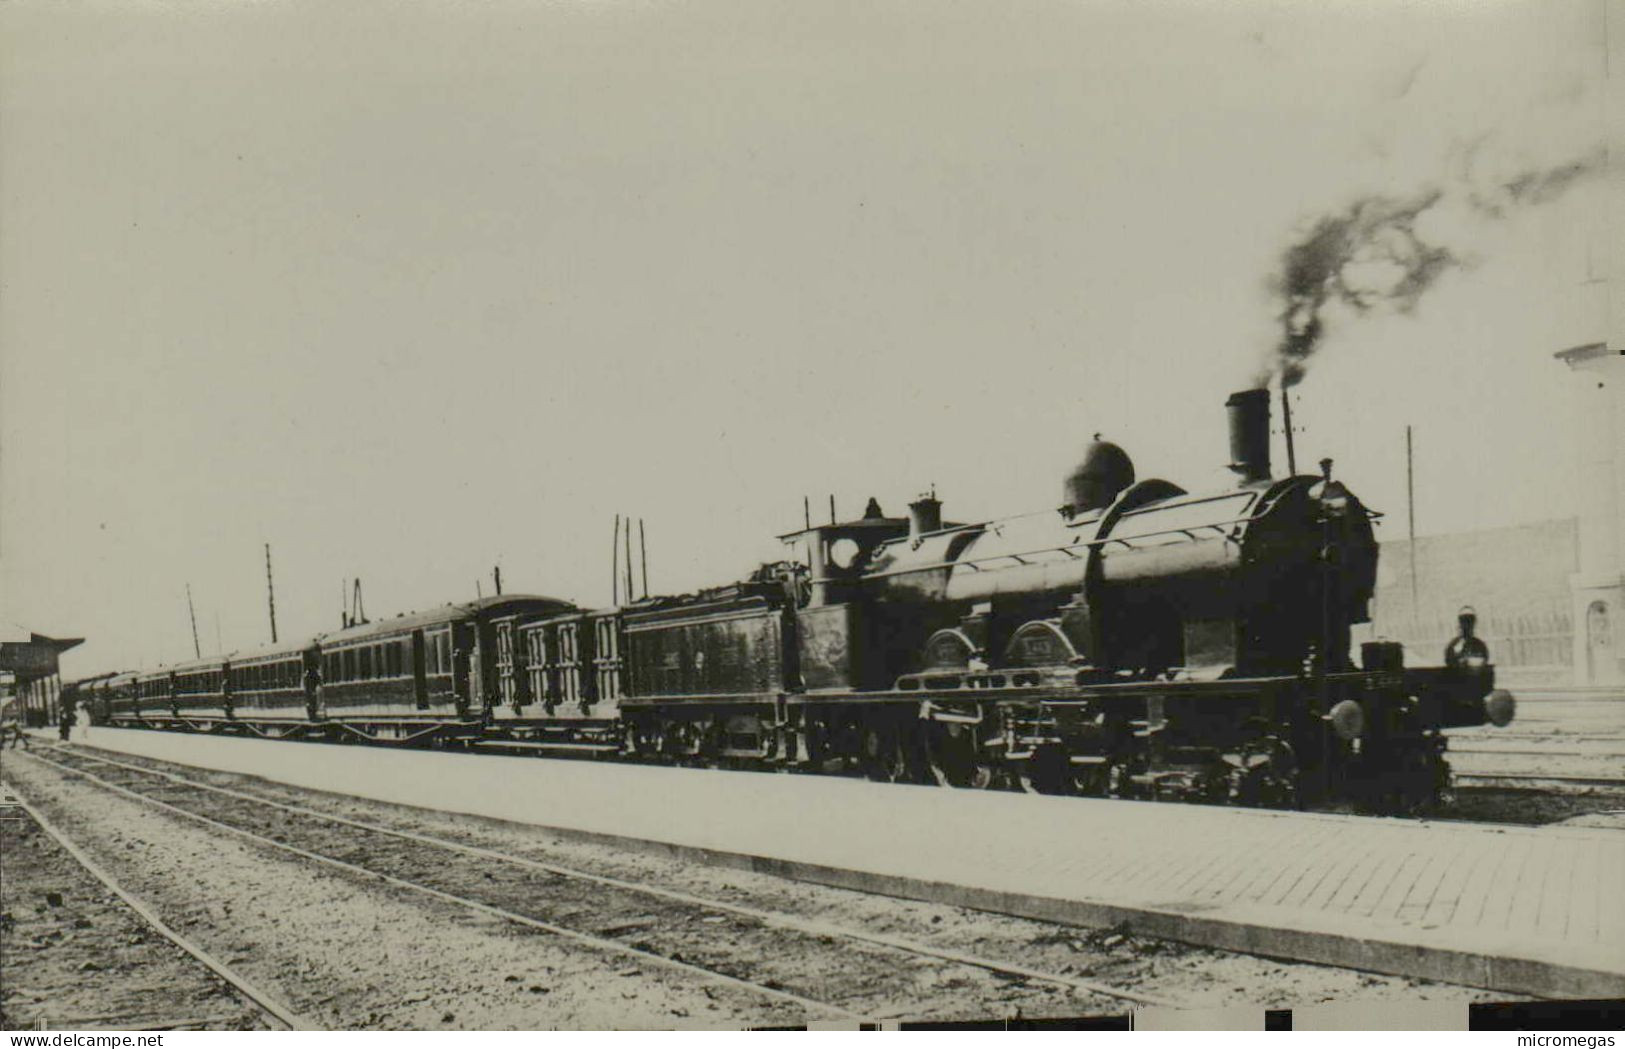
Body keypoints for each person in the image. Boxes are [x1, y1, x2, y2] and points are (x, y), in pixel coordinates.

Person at [1444, 606, 1490, 670]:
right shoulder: (1453, 646)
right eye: (1465, 622)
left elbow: (1484, 661)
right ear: (1460, 624)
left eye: (1469, 623)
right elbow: (1449, 663)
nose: (1467, 626)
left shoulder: (1480, 646)